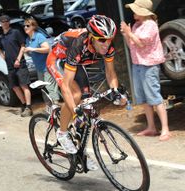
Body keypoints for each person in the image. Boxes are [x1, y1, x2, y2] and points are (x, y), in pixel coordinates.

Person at [46, 15, 126, 170]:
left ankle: (80, 153)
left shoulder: (108, 47)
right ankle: (62, 133)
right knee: (75, 95)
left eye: (110, 39)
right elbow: (66, 86)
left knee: (87, 103)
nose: (106, 43)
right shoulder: (78, 45)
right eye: (102, 40)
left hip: (77, 63)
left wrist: (115, 91)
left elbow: (110, 73)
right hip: (58, 59)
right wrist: (76, 113)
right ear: (91, 37)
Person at [121, 0, 170, 141]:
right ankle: (151, 127)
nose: (133, 12)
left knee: (154, 96)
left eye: (135, 10)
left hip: (149, 65)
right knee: (143, 98)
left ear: (142, 12)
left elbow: (141, 43)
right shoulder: (137, 25)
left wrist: (129, 34)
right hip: (137, 64)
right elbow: (132, 46)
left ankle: (165, 129)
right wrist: (126, 34)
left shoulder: (151, 25)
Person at [0, 15, 33, 117]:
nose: (5, 23)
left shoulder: (16, 32)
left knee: (24, 85)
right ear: (0, 23)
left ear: (9, 22)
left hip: (20, 64)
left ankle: (29, 107)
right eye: (3, 22)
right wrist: (4, 58)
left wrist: (18, 59)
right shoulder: (1, 37)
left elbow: (23, 46)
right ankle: (24, 104)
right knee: (14, 87)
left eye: (6, 21)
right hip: (10, 66)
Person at [23, 17, 61, 103]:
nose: (25, 27)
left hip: (47, 66)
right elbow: (32, 53)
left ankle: (56, 107)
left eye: (27, 25)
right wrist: (27, 52)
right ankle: (49, 109)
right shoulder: (28, 39)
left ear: (33, 26)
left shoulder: (39, 36)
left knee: (50, 87)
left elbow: (47, 49)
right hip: (39, 68)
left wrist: (32, 49)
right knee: (43, 89)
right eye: (24, 26)